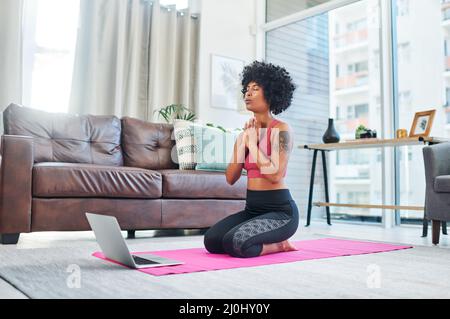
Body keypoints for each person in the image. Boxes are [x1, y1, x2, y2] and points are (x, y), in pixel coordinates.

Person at [203, 60, 299, 258]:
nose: (248, 93)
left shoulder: (282, 130)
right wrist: (244, 142)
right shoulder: (246, 134)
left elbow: (275, 174)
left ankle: (280, 245)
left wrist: (253, 144)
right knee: (212, 240)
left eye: (255, 89)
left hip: (281, 212)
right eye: (247, 89)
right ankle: (271, 240)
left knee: (236, 243)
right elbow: (231, 178)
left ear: (271, 94)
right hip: (253, 209)